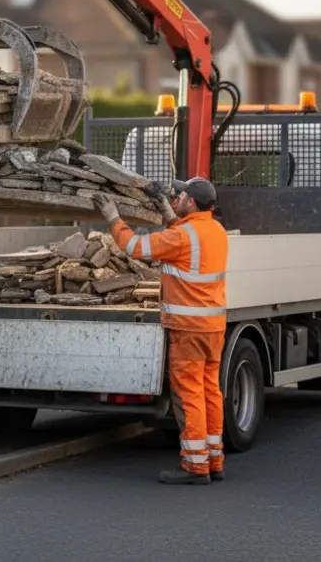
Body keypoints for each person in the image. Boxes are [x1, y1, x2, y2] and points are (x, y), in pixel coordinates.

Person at [92, 177, 229, 485]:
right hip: (212, 328)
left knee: (190, 394)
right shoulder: (215, 230)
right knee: (210, 392)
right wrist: (165, 207)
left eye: (179, 195)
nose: (175, 196)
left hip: (188, 329)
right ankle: (214, 459)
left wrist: (113, 217)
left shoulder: (182, 236)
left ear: (191, 202)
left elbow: (134, 247)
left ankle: (195, 466)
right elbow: (182, 235)